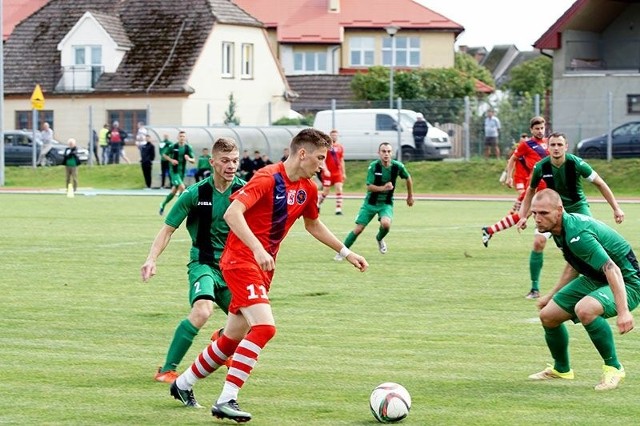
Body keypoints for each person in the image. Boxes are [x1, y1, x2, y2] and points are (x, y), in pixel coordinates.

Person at [169, 128, 368, 421]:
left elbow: (313, 225)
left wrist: (346, 252)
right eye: (320, 158)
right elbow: (232, 213)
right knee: (264, 328)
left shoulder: (308, 189)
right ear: (302, 154)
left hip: (261, 269)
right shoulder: (266, 177)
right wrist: (258, 249)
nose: (323, 165)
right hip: (240, 261)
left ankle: (182, 383)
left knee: (231, 338)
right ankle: (227, 399)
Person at [141, 137, 246, 384]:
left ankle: (222, 341)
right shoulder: (195, 193)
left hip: (233, 268)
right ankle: (167, 369)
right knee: (202, 310)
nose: (231, 166)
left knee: (251, 322)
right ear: (212, 162)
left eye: (235, 161)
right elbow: (167, 229)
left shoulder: (245, 191)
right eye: (225, 161)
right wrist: (151, 259)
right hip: (204, 264)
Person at [526, 189, 639, 391]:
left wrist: (623, 312)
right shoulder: (559, 230)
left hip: (629, 283)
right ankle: (561, 369)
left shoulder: (577, 233)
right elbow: (574, 266)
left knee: (586, 309)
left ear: (559, 211)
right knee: (548, 316)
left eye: (543, 213)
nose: (537, 219)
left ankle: (614, 368)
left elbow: (612, 269)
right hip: (597, 279)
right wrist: (550, 296)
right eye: (534, 213)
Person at [517, 131, 625, 297]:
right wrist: (523, 215)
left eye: (560, 144)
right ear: (548, 147)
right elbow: (531, 191)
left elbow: (600, 183)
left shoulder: (577, 164)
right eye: (552, 144)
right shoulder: (541, 167)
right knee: (538, 242)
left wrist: (616, 208)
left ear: (566, 147)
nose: (556, 148)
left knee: (586, 246)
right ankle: (534, 288)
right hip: (552, 210)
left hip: (578, 208)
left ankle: (603, 280)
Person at [481, 117, 548, 299]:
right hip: (529, 187)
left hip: (550, 196)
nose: (540, 131)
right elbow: (512, 159)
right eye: (537, 128)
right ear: (531, 130)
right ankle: (535, 288)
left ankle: (491, 229)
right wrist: (508, 176)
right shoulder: (526, 145)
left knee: (519, 214)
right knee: (522, 218)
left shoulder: (551, 145)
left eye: (542, 128)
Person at [335, 142, 413, 260]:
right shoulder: (373, 166)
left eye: (388, 151)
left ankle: (379, 238)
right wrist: (384, 188)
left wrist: (410, 196)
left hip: (386, 203)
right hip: (370, 203)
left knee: (386, 224)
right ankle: (342, 252)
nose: (386, 154)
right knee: (358, 229)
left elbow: (408, 178)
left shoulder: (398, 166)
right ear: (379, 153)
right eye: (383, 151)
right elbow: (369, 186)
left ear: (391, 153)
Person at [159, 131, 195, 215]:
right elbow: (164, 154)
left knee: (174, 191)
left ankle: (162, 205)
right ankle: (180, 209)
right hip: (174, 171)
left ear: (185, 138)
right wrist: (171, 160)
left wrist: (189, 159)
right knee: (182, 187)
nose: (182, 138)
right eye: (180, 136)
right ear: (177, 137)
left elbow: (193, 160)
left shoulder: (187, 147)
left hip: (182, 172)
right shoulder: (173, 146)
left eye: (183, 136)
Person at [317, 129, 346, 215]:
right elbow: (323, 159)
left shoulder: (340, 147)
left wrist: (343, 172)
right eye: (332, 135)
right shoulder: (326, 147)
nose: (334, 137)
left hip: (337, 173)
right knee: (326, 191)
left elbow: (341, 160)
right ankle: (317, 204)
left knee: (339, 189)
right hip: (328, 173)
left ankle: (338, 209)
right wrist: (325, 170)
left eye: (336, 135)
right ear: (330, 136)